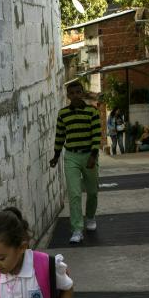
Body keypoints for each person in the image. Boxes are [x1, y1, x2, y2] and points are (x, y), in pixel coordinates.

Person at [50, 80, 102, 244]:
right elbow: (60, 135)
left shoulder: (92, 112)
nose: (75, 96)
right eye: (71, 93)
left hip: (89, 155)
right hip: (71, 156)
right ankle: (77, 229)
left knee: (92, 191)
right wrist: (56, 156)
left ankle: (91, 216)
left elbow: (96, 135)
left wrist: (93, 156)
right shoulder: (63, 114)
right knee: (74, 194)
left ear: (82, 93)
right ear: (68, 96)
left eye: (78, 92)